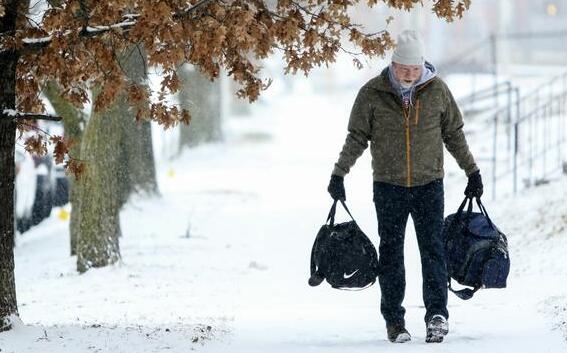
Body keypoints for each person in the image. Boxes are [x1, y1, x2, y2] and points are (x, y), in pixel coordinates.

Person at [327, 30, 483, 344]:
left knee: (433, 252)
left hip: (428, 186)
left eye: (414, 68)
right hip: (389, 187)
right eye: (404, 68)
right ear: (394, 63)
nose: (410, 73)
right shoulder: (372, 93)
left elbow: (454, 134)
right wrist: (338, 174)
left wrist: (472, 171)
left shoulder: (437, 90)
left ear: (422, 64)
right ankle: (395, 322)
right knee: (391, 256)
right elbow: (356, 138)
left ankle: (437, 315)